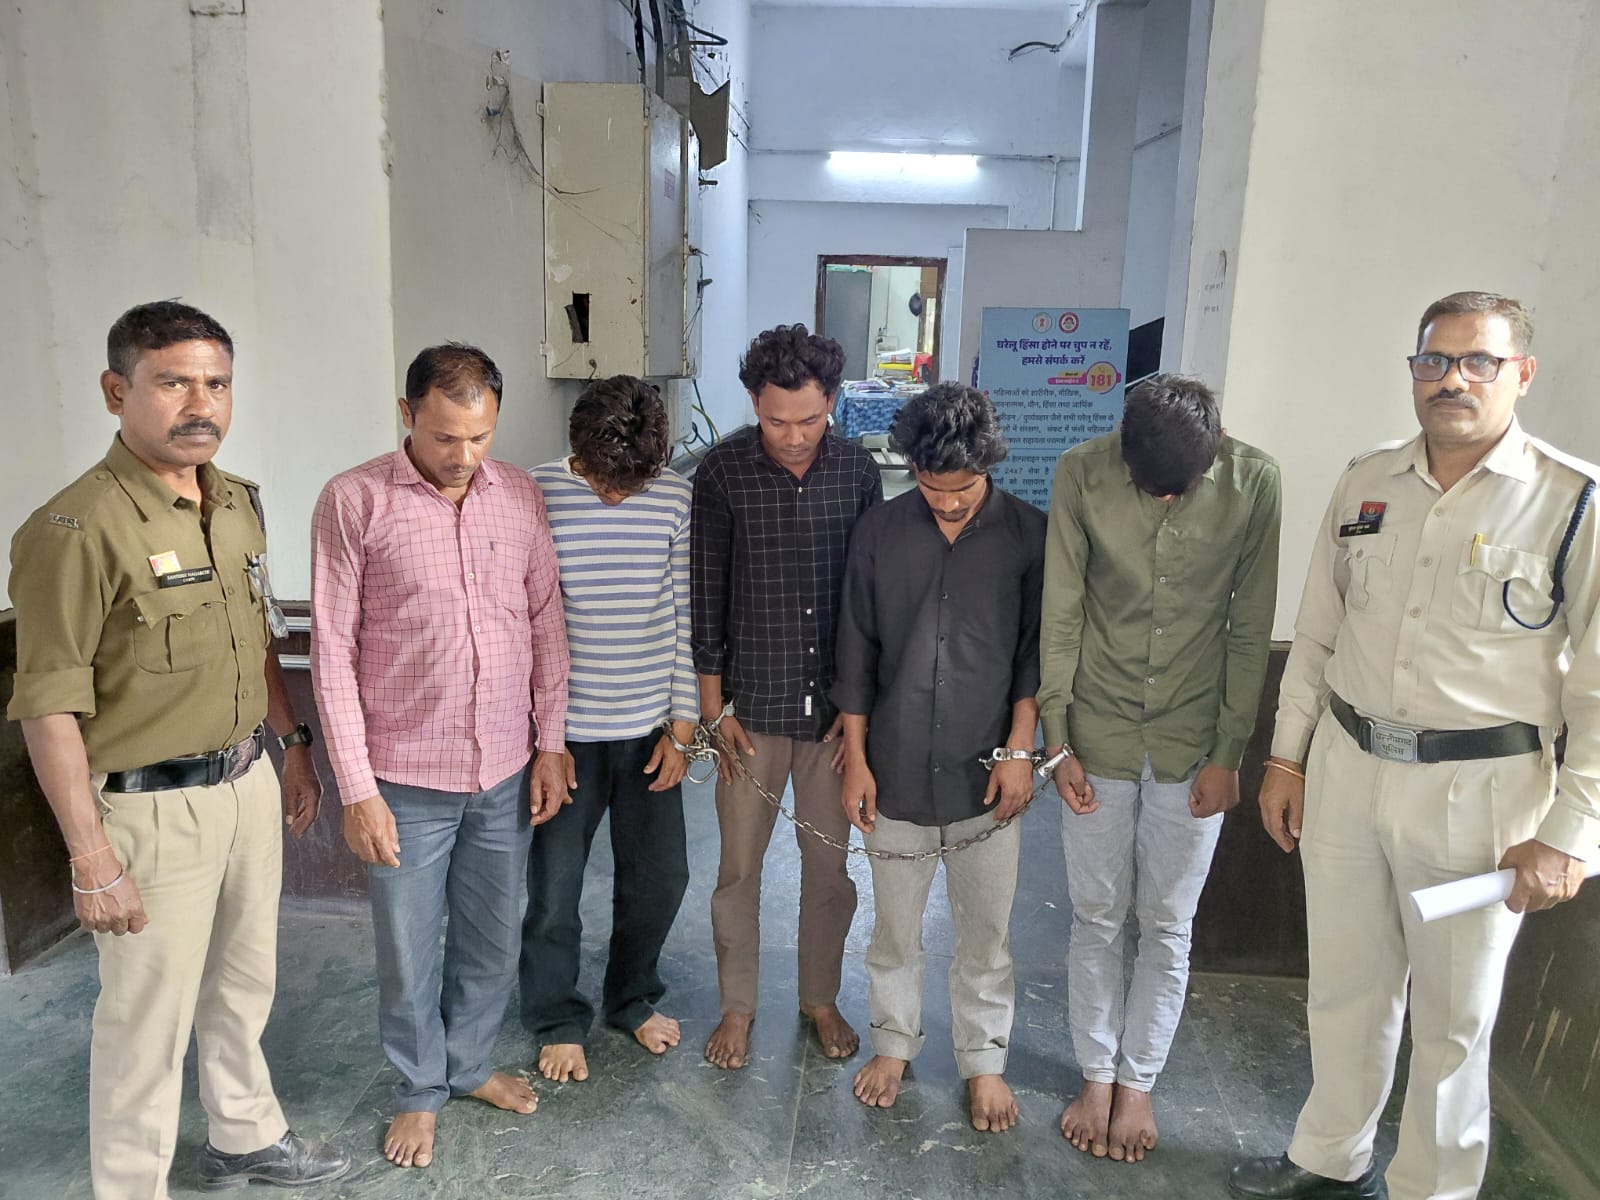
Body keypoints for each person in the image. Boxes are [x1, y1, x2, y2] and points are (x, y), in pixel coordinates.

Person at [1229, 291, 1599, 1200]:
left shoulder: (1573, 501)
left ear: (1522, 374)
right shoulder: (1369, 481)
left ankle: (1432, 1188)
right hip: (1350, 768)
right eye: (1433, 361)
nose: (1452, 380)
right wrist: (1286, 757)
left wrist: (1571, 835)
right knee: (1345, 987)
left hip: (1482, 791)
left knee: (1453, 1018)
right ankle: (1330, 1157)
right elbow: (1319, 631)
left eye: (1478, 362)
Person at [7, 300, 350, 1198]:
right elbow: (47, 707)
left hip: (245, 782)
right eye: (173, 383)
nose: (201, 404)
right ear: (116, 391)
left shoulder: (235, 504)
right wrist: (91, 858)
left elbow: (255, 639)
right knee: (145, 1021)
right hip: (150, 812)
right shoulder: (74, 530)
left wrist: (294, 747)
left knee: (243, 983)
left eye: (217, 383)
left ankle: (243, 1135)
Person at [309, 343, 570, 1170]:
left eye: (480, 437)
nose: (463, 456)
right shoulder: (355, 501)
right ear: (407, 414)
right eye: (445, 437)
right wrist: (357, 788)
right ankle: (420, 1087)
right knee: (408, 947)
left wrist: (550, 742)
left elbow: (545, 623)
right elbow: (331, 651)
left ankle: (469, 1064)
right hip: (404, 776)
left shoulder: (518, 494)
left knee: (492, 939)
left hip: (503, 766)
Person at [1039, 375, 1281, 1163]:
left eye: (1181, 490)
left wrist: (1230, 751)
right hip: (1097, 728)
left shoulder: (1256, 483)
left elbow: (1250, 624)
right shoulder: (1081, 473)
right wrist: (1057, 740)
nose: (1167, 501)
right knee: (1096, 916)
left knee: (1169, 924)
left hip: (1193, 738)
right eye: (1152, 489)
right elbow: (1062, 609)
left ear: (1214, 451)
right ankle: (1095, 1075)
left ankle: (1138, 1080)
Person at [834, 383, 1045, 1132]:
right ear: (911, 470)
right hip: (893, 764)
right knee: (894, 929)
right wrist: (856, 760)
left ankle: (983, 1059)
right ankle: (893, 1043)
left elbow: (1034, 656)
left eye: (963, 489)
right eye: (932, 489)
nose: (949, 505)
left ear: (989, 466)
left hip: (987, 773)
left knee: (986, 933)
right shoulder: (880, 532)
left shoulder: (1029, 536)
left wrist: (1020, 751)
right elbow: (855, 650)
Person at [692, 323, 883, 1069]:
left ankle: (819, 998)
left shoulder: (857, 472)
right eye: (777, 421)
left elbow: (869, 601)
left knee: (829, 871)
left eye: (809, 419)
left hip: (833, 717)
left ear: (831, 402)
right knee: (738, 870)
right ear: (754, 403)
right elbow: (707, 597)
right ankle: (737, 1006)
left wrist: (859, 714)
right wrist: (714, 712)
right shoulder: (723, 472)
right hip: (751, 714)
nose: (795, 437)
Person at [519, 375, 697, 1082]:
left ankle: (630, 997)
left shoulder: (674, 496)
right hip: (566, 739)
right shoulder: (537, 491)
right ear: (578, 451)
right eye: (602, 482)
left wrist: (683, 726)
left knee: (660, 879)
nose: (616, 496)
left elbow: (684, 612)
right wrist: (546, 738)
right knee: (555, 890)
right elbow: (529, 621)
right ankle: (557, 1018)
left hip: (650, 729)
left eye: (632, 484)